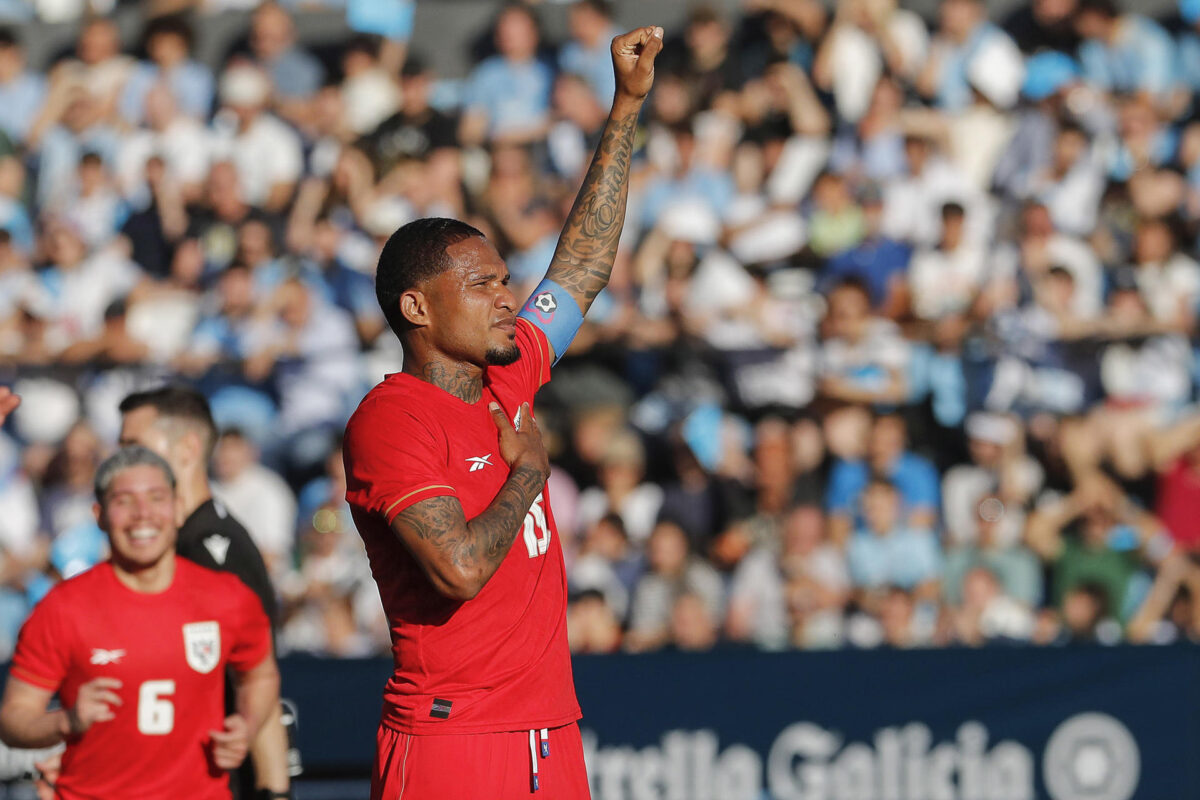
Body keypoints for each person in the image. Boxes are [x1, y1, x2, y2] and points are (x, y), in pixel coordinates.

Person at [342, 26, 662, 800]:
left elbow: (581, 267)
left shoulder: (508, 376)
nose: (506, 297)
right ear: (416, 306)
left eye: (504, 279)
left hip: (549, 731)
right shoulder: (391, 420)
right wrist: (525, 477)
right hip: (456, 738)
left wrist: (623, 110)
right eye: (481, 284)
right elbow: (456, 570)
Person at [0, 446, 279, 799]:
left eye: (156, 497)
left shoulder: (228, 597)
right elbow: (13, 718)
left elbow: (260, 673)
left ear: (178, 508)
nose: (143, 514)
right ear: (99, 515)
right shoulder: (62, 607)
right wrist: (66, 720)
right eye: (124, 501)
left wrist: (247, 724)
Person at [117, 386, 291, 800]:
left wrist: (275, 792)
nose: (121, 460)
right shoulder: (166, 545)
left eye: (134, 446)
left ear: (187, 448)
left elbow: (257, 676)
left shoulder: (216, 549)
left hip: (220, 782)